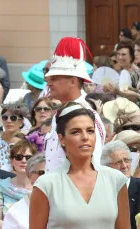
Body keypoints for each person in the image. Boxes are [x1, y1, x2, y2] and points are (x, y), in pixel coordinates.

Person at [44, 37, 105, 172]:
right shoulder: (61, 112)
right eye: (49, 79)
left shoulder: (87, 115)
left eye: (54, 79)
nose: (49, 83)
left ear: (73, 81)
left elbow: (93, 166)